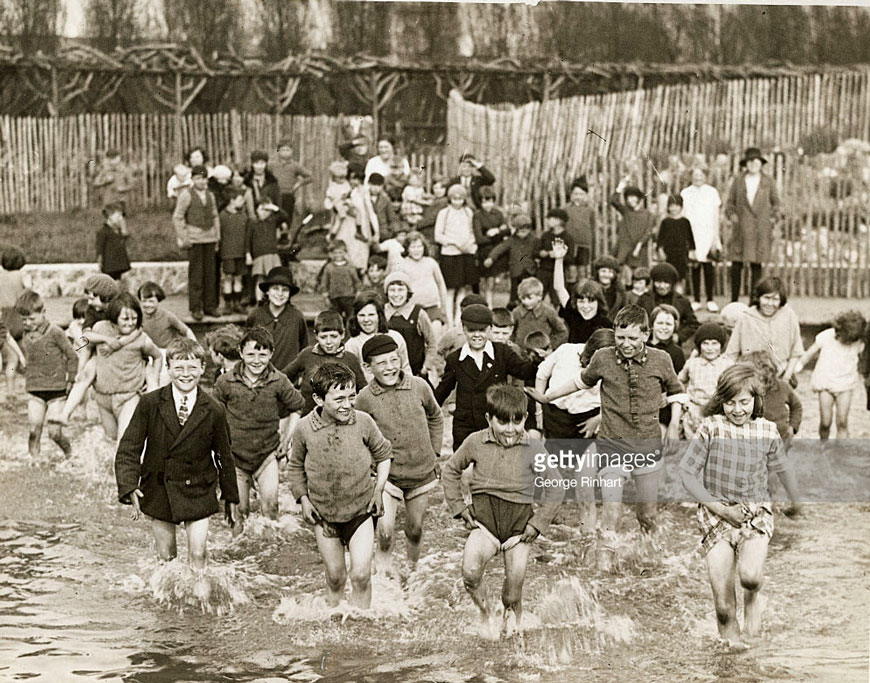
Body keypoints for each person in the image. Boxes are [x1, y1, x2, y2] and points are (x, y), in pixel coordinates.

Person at [533, 305, 685, 548]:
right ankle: (604, 568)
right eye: (620, 337)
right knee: (611, 513)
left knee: (646, 515)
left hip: (647, 445)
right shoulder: (603, 357)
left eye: (633, 338)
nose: (626, 344)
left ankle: (654, 554)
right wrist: (548, 397)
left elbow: (677, 393)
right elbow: (579, 382)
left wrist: (675, 425)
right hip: (611, 445)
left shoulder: (661, 360)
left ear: (646, 335)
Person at [679, 363, 801, 644]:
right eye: (730, 402)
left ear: (756, 400)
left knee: (750, 577)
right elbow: (686, 474)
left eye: (744, 402)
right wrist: (721, 509)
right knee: (723, 608)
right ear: (720, 401)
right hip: (716, 515)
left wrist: (796, 501)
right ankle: (735, 658)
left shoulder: (767, 430)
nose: (737, 409)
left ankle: (753, 598)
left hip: (754, 515)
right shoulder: (711, 427)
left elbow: (784, 470)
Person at [441, 384, 561, 635]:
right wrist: (458, 506)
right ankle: (486, 615)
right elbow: (450, 470)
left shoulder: (534, 447)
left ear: (526, 419)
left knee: (513, 593)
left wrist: (538, 523)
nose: (510, 430)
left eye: (517, 422)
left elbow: (556, 486)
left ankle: (513, 632)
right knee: (471, 573)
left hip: (519, 529)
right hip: (485, 524)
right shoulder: (475, 441)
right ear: (488, 419)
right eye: (502, 422)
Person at [115, 337, 240, 569]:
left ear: (203, 369)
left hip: (199, 488)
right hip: (160, 487)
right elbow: (129, 448)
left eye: (192, 368)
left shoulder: (214, 409)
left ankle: (200, 598)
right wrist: (128, 485)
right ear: (168, 368)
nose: (186, 374)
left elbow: (224, 456)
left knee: (199, 553)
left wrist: (230, 496)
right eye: (179, 368)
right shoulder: (150, 403)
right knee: (166, 558)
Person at [288, 362, 392, 608]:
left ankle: (361, 628)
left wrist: (379, 490)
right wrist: (302, 499)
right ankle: (335, 625)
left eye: (351, 396)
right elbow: (295, 468)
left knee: (361, 575)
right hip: (323, 513)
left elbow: (384, 455)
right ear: (319, 399)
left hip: (361, 510)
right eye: (339, 399)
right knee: (335, 577)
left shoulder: (364, 422)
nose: (347, 405)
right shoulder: (304, 428)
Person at [355, 334, 443, 574]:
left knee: (415, 529)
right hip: (387, 476)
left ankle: (412, 571)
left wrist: (435, 451)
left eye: (394, 360)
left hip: (421, 472)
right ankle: (384, 576)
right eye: (381, 363)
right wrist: (369, 464)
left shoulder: (419, 386)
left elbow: (436, 416)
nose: (390, 367)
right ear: (368, 367)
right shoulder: (364, 398)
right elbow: (356, 433)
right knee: (385, 531)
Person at [213, 327, 304, 530]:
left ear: (271, 354)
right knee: (239, 511)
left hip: (267, 454)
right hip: (235, 456)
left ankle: (270, 553)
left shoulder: (278, 380)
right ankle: (239, 556)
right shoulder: (226, 381)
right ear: (240, 352)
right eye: (251, 354)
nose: (256, 360)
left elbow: (297, 405)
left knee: (271, 507)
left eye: (262, 355)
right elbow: (212, 414)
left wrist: (287, 438)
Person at [434, 304, 542, 450]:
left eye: (482, 330)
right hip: (465, 426)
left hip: (495, 422)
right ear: (463, 329)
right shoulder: (455, 359)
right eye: (471, 330)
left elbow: (523, 371)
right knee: (466, 467)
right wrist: (426, 407)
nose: (477, 335)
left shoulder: (502, 352)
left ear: (489, 329)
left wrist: (536, 360)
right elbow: (443, 390)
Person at [89, 293, 162, 445]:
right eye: (125, 319)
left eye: (134, 319)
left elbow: (158, 356)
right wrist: (106, 340)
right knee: (110, 440)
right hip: (104, 397)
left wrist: (153, 380)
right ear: (114, 318)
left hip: (129, 396)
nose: (130, 323)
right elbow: (83, 341)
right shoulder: (100, 329)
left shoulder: (143, 340)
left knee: (123, 443)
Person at [15, 290, 77, 460]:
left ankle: (70, 455)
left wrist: (71, 380)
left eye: (32, 319)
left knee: (54, 432)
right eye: (24, 320)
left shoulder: (55, 332)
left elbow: (72, 355)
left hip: (57, 390)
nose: (28, 323)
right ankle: (35, 461)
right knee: (34, 429)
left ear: (43, 313)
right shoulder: (25, 335)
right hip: (35, 390)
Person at [796, 310, 865, 439]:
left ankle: (839, 454)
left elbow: (863, 358)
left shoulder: (858, 342)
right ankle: (824, 446)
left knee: (842, 422)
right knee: (825, 422)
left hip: (846, 385)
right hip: (826, 384)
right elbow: (809, 353)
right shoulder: (827, 336)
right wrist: (798, 366)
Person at [282, 310, 366, 415]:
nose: (329, 342)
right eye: (323, 337)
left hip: (341, 418)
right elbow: (283, 377)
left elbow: (362, 390)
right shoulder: (307, 354)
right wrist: (294, 400)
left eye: (333, 336)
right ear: (316, 336)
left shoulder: (350, 359)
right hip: (308, 417)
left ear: (343, 334)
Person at [724, 277, 803, 386]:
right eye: (766, 298)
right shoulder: (746, 317)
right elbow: (731, 355)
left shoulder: (789, 316)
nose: (770, 304)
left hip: (781, 376)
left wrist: (786, 378)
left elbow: (796, 352)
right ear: (758, 297)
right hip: (751, 377)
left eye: (775, 299)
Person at [725, 147, 780, 302]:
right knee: (736, 264)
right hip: (741, 230)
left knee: (756, 266)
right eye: (750, 162)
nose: (753, 164)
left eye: (756, 161)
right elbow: (730, 203)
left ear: (761, 163)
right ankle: (734, 301)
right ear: (745, 164)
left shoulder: (768, 182)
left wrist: (772, 219)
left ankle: (753, 301)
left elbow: (777, 204)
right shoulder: (738, 180)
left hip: (760, 230)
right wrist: (733, 217)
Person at [172, 164, 220, 321]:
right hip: (194, 239)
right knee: (196, 274)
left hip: (210, 238)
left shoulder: (210, 195)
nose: (201, 181)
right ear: (192, 179)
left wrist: (217, 236)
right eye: (198, 178)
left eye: (204, 178)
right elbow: (178, 217)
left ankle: (210, 306)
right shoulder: (186, 195)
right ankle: (196, 307)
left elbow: (214, 216)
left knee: (210, 273)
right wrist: (184, 237)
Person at [246, 266, 308, 371]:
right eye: (275, 289)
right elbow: (246, 347)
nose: (280, 294)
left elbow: (304, 349)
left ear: (289, 294)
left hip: (288, 378)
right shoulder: (256, 315)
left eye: (284, 290)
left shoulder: (297, 317)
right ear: (267, 291)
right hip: (260, 376)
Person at [551, 241, 612, 344]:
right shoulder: (574, 316)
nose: (586, 306)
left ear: (599, 302)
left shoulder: (605, 324)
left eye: (591, 301)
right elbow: (559, 288)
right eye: (581, 302)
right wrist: (559, 259)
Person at [679, 322, 733, 438]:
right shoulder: (692, 363)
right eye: (705, 343)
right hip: (694, 410)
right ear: (699, 346)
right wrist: (686, 401)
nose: (710, 348)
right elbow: (679, 381)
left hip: (718, 410)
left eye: (714, 343)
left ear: (721, 345)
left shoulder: (727, 364)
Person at [138, 281, 196, 387]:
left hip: (165, 354)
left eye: (151, 301)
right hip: (148, 354)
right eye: (144, 301)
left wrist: (195, 347)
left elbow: (186, 331)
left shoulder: (168, 316)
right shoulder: (139, 317)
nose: (147, 305)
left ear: (158, 301)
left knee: (162, 381)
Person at [435, 184, 479, 326]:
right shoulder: (444, 213)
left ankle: (458, 319)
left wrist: (469, 244)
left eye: (460, 199)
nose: (457, 202)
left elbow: (472, 232)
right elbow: (438, 235)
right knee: (450, 289)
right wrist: (454, 243)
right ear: (450, 198)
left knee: (463, 287)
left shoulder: (468, 212)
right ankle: (449, 320)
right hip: (450, 254)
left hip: (465, 254)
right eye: (455, 199)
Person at [344, 293, 412, 383]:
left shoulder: (395, 337)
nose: (366, 320)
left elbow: (406, 368)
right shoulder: (352, 345)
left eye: (371, 315)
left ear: (379, 316)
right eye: (362, 315)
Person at [681, 167, 722, 312]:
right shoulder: (685, 193)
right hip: (693, 233)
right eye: (695, 175)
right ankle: (697, 299)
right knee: (695, 266)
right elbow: (684, 216)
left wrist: (715, 237)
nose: (698, 177)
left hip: (708, 232)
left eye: (701, 175)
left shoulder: (712, 192)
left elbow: (716, 216)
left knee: (708, 266)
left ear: (705, 176)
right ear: (691, 176)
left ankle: (710, 299)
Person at [383, 272, 437, 380]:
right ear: (386, 292)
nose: (396, 294)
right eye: (392, 290)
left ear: (408, 292)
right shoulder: (382, 313)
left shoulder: (418, 314)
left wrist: (425, 368)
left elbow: (432, 343)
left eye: (401, 290)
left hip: (415, 373)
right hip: (388, 373)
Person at [394, 231, 449, 338]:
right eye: (413, 247)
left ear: (424, 247)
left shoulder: (431, 262)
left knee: (435, 331)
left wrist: (443, 307)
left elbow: (441, 284)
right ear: (407, 248)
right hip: (412, 309)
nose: (417, 250)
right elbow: (397, 288)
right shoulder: (402, 264)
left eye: (419, 246)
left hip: (432, 306)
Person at [745, 350, 802, 445]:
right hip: (755, 439)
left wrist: (792, 427)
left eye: (763, 378)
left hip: (782, 438)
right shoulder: (746, 389)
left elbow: (797, 406)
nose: (760, 383)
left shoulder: (782, 386)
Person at [483, 214, 539, 308]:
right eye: (520, 229)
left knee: (530, 293)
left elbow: (539, 250)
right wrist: (491, 258)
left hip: (530, 271)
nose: (523, 231)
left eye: (526, 228)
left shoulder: (534, 240)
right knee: (515, 296)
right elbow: (499, 248)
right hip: (516, 272)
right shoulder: (511, 240)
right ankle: (514, 312)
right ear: (515, 229)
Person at [637, 262, 699, 344]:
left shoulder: (682, 301)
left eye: (666, 282)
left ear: (672, 284)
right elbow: (636, 321)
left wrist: (679, 336)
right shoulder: (644, 299)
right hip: (649, 343)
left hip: (672, 344)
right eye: (658, 282)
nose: (662, 286)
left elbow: (693, 324)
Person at [609, 178, 656, 285]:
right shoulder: (625, 211)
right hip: (624, 249)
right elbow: (613, 200)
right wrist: (620, 187)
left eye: (633, 197)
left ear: (639, 198)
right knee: (624, 278)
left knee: (638, 277)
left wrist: (639, 246)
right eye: (628, 197)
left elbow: (648, 232)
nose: (631, 200)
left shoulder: (648, 215)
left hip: (638, 250)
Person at [472, 186, 509, 307]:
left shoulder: (498, 213)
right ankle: (484, 305)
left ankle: (491, 305)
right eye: (484, 202)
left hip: (496, 250)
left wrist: (494, 231)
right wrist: (495, 235)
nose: (488, 204)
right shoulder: (477, 215)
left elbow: (506, 231)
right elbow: (479, 238)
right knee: (484, 281)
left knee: (492, 282)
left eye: (490, 201)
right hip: (484, 251)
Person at [511, 277, 568, 351]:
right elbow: (511, 331)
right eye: (522, 299)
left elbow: (562, 331)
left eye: (529, 298)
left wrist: (550, 345)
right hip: (521, 353)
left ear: (539, 297)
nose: (525, 302)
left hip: (542, 353)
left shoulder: (548, 312)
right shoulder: (516, 312)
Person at [218, 187, 252, 315]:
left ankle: (237, 303)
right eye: (240, 199)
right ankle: (228, 304)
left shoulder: (243, 216)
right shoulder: (223, 215)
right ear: (232, 201)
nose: (243, 202)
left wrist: (246, 252)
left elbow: (247, 235)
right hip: (228, 253)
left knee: (238, 278)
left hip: (241, 253)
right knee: (228, 277)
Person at [248, 201, 287, 301]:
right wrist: (247, 254)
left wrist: (274, 207)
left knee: (274, 280)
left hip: (272, 254)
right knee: (260, 279)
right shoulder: (253, 223)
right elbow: (247, 240)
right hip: (259, 255)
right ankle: (259, 301)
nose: (264, 213)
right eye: (262, 209)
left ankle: (273, 300)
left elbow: (284, 216)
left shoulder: (272, 221)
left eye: (267, 210)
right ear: (257, 210)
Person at [656, 195, 694, 292]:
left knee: (681, 276)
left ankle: (680, 296)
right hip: (668, 254)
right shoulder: (665, 222)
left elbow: (690, 238)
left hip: (681, 254)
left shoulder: (685, 222)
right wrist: (660, 250)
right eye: (671, 206)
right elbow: (660, 239)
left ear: (681, 206)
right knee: (668, 275)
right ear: (668, 207)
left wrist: (692, 251)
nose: (674, 208)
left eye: (676, 205)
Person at [537, 209, 575, 305]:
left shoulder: (568, 238)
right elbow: (536, 251)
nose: (548, 221)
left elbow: (571, 258)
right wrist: (542, 253)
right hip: (543, 271)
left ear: (559, 221)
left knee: (557, 301)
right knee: (537, 297)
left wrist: (559, 256)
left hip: (559, 273)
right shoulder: (546, 235)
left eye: (551, 219)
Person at [271, 139, 312, 226]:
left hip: (288, 195)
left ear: (292, 151)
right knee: (274, 218)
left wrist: (298, 184)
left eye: (287, 150)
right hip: (274, 196)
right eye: (282, 150)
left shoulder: (295, 165)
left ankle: (285, 237)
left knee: (287, 218)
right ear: (278, 151)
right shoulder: (272, 165)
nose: (285, 152)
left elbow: (309, 177)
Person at [318, 240, 361, 322]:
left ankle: (349, 333)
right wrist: (325, 296)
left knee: (350, 318)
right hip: (334, 297)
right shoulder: (329, 267)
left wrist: (358, 292)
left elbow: (356, 281)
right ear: (331, 254)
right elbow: (324, 282)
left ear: (345, 253)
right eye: (335, 253)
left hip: (349, 297)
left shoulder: (350, 266)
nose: (338, 255)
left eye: (340, 252)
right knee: (335, 318)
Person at [564, 176, 596, 281]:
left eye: (581, 194)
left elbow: (593, 229)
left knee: (583, 272)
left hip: (584, 246)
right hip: (569, 246)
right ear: (571, 195)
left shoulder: (590, 210)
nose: (578, 197)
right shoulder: (566, 209)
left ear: (586, 195)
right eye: (576, 194)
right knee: (571, 272)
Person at [96, 202, 131, 283]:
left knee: (118, 284)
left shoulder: (118, 231)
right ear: (110, 217)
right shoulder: (103, 232)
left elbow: (125, 237)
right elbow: (99, 249)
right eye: (118, 216)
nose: (121, 219)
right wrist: (99, 264)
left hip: (119, 265)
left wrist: (124, 228)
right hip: (109, 266)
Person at [243, 151, 282, 221]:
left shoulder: (272, 181)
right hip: (250, 220)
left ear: (266, 164)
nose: (259, 167)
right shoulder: (246, 181)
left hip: (269, 219)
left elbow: (278, 202)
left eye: (262, 163)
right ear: (252, 164)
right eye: (256, 163)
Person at [367, 173, 401, 242]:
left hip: (383, 233)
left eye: (379, 185)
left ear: (382, 186)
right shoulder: (364, 197)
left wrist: (392, 231)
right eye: (373, 185)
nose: (376, 188)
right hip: (368, 231)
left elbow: (392, 217)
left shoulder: (385, 199)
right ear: (368, 184)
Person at [417, 176, 449, 247]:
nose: (438, 190)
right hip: (428, 231)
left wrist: (417, 225)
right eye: (436, 188)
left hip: (433, 232)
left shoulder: (443, 201)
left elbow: (432, 218)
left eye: (441, 188)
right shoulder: (435, 200)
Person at [591, 255, 626, 319]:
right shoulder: (589, 288)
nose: (606, 275)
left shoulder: (620, 291)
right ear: (597, 272)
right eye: (603, 271)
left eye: (610, 272)